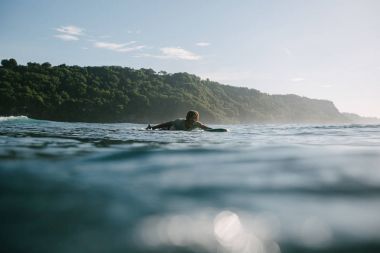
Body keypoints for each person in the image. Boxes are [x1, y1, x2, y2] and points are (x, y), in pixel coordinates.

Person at [146, 110, 212, 131]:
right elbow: (166, 123)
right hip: (169, 129)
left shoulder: (197, 124)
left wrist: (218, 130)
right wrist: (153, 127)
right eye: (192, 118)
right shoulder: (179, 121)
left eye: (195, 118)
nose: (194, 120)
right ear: (188, 117)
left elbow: (206, 128)